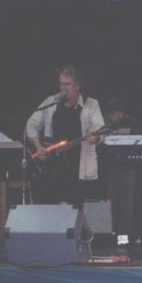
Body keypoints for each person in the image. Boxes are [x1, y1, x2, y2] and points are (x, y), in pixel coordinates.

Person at [26, 66, 105, 206]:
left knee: (88, 208)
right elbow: (31, 124)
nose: (63, 88)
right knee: (55, 208)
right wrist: (38, 146)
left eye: (67, 84)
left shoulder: (91, 104)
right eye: (61, 84)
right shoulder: (51, 102)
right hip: (53, 167)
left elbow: (100, 131)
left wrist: (96, 137)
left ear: (78, 86)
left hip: (80, 164)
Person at [102, 97, 141, 243]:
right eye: (115, 114)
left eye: (120, 113)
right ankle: (109, 235)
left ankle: (126, 236)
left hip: (128, 167)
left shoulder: (130, 121)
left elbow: (138, 140)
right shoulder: (104, 122)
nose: (118, 117)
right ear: (109, 114)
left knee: (127, 202)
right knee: (111, 201)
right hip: (110, 167)